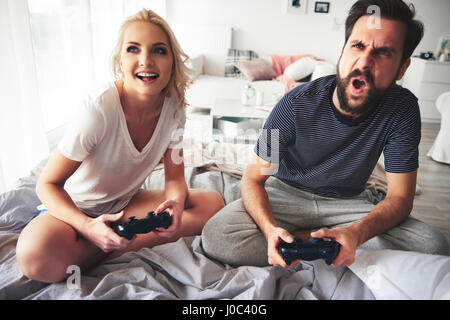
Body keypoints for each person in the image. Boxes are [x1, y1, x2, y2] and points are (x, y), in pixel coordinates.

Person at [201, 0, 449, 268]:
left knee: (432, 247)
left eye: (384, 52)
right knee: (218, 237)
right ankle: (324, 246)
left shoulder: (403, 110)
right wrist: (271, 230)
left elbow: (400, 198)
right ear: (343, 51)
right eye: (358, 46)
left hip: (349, 204)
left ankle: (315, 243)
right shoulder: (293, 104)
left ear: (402, 67)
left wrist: (357, 232)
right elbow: (252, 179)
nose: (364, 62)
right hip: (285, 194)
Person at [16, 9, 224, 283]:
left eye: (159, 50)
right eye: (133, 49)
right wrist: (88, 227)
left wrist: (174, 203)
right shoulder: (98, 110)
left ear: (172, 61)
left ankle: (110, 242)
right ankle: (114, 241)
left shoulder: (174, 110)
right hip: (74, 211)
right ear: (119, 60)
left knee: (212, 203)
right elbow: (47, 185)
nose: (146, 60)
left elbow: (175, 177)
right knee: (34, 259)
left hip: (124, 205)